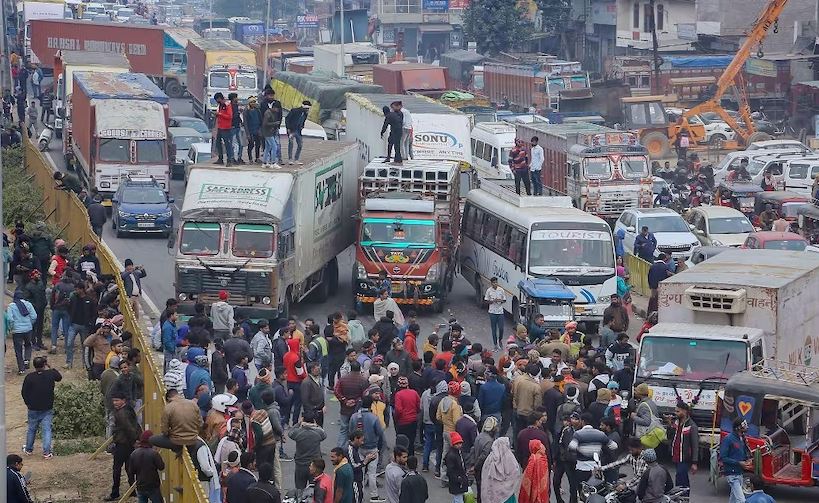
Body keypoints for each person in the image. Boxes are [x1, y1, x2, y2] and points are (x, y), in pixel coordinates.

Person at [21, 356, 61, 458]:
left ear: (34, 366)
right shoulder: (50, 374)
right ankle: (47, 452)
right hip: (47, 407)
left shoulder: (29, 377)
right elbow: (59, 377)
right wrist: (50, 366)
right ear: (44, 365)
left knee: (31, 429)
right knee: (47, 429)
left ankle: (29, 449)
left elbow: (24, 392)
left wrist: (28, 403)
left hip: (33, 407)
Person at [349, 396, 386, 502]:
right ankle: (374, 495)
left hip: (359, 448)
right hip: (372, 447)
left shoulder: (354, 416)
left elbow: (350, 431)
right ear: (371, 405)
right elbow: (380, 433)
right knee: (372, 473)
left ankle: (360, 493)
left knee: (360, 471)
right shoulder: (374, 418)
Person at [107, 391, 141, 501]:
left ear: (123, 401)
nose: (115, 403)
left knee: (117, 469)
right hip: (129, 444)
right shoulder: (129, 409)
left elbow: (129, 428)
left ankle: (115, 493)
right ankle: (133, 491)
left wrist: (134, 440)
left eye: (117, 400)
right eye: (113, 401)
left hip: (123, 444)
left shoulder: (121, 413)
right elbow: (135, 425)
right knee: (129, 468)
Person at [568, 412, 618, 487]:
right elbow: (614, 446)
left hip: (582, 468)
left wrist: (580, 451)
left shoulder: (578, 434)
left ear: (582, 421)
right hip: (596, 469)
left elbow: (571, 447)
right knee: (595, 490)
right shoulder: (600, 434)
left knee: (583, 491)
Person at [149, 389, 203, 454]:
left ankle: (178, 451)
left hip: (176, 442)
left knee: (151, 439)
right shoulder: (193, 404)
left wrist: (171, 432)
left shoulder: (168, 407)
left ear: (169, 399)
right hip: (193, 440)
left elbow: (164, 431)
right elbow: (200, 424)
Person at [289, 410, 327, 495]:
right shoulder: (318, 433)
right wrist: (316, 425)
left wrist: (298, 424)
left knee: (299, 489)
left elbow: (290, 433)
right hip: (315, 466)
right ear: (314, 420)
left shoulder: (298, 433)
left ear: (302, 419)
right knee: (313, 490)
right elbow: (324, 434)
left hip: (300, 464)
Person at [721, 417, 753, 503]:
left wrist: (747, 459)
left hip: (739, 473)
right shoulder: (728, 439)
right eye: (744, 425)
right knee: (741, 500)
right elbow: (723, 457)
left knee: (733, 499)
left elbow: (742, 453)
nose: (747, 427)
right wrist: (739, 463)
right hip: (732, 474)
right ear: (738, 427)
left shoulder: (742, 438)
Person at [128, 430, 165, 503]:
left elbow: (131, 472)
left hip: (140, 486)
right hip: (153, 486)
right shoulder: (154, 453)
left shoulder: (134, 454)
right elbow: (161, 467)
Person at [669, 401, 698, 491]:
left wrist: (694, 463)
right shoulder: (676, 423)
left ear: (684, 412)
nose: (675, 413)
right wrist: (670, 425)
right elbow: (669, 436)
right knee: (680, 479)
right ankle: (681, 497)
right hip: (676, 456)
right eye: (675, 411)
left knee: (681, 478)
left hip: (684, 457)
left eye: (678, 411)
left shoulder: (692, 426)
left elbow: (695, 445)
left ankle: (684, 497)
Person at [7, 289, 37, 374]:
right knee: (28, 345)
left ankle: (21, 369)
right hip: (28, 329)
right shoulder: (28, 304)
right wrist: (29, 324)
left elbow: (10, 319)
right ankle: (27, 360)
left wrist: (11, 328)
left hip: (17, 331)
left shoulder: (11, 306)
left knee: (18, 350)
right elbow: (34, 316)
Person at [445, 432, 469, 503]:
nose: (459, 445)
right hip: (457, 480)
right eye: (457, 444)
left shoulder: (455, 453)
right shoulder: (453, 455)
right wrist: (458, 479)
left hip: (458, 480)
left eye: (460, 443)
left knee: (457, 498)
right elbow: (451, 470)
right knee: (458, 498)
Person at [484, 276, 507, 351]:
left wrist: (500, 300)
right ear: (491, 283)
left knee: (501, 328)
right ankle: (495, 344)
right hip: (492, 312)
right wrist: (493, 301)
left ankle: (500, 340)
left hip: (500, 312)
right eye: (494, 282)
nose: (495, 284)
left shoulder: (501, 290)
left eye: (496, 282)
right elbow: (486, 301)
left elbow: (504, 300)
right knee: (494, 329)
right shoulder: (489, 291)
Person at [261, 94, 283, 165]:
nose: (277, 110)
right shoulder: (268, 113)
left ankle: (264, 162)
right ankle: (273, 162)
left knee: (268, 147)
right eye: (277, 109)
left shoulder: (272, 113)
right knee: (274, 147)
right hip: (268, 132)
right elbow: (265, 123)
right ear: (273, 108)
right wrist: (275, 123)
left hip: (270, 131)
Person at [213, 92, 235, 166]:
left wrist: (219, 114)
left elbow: (230, 116)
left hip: (226, 128)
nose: (217, 101)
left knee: (227, 145)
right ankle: (220, 158)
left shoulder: (227, 105)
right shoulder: (220, 105)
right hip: (220, 127)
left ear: (219, 98)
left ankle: (229, 160)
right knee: (218, 143)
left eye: (217, 99)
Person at [243, 97, 263, 164]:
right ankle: (250, 159)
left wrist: (260, 129)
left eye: (254, 102)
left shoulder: (257, 110)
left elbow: (260, 120)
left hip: (257, 129)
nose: (253, 103)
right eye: (251, 102)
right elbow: (245, 123)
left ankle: (257, 158)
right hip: (250, 130)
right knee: (251, 145)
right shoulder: (246, 111)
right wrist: (247, 133)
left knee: (258, 144)